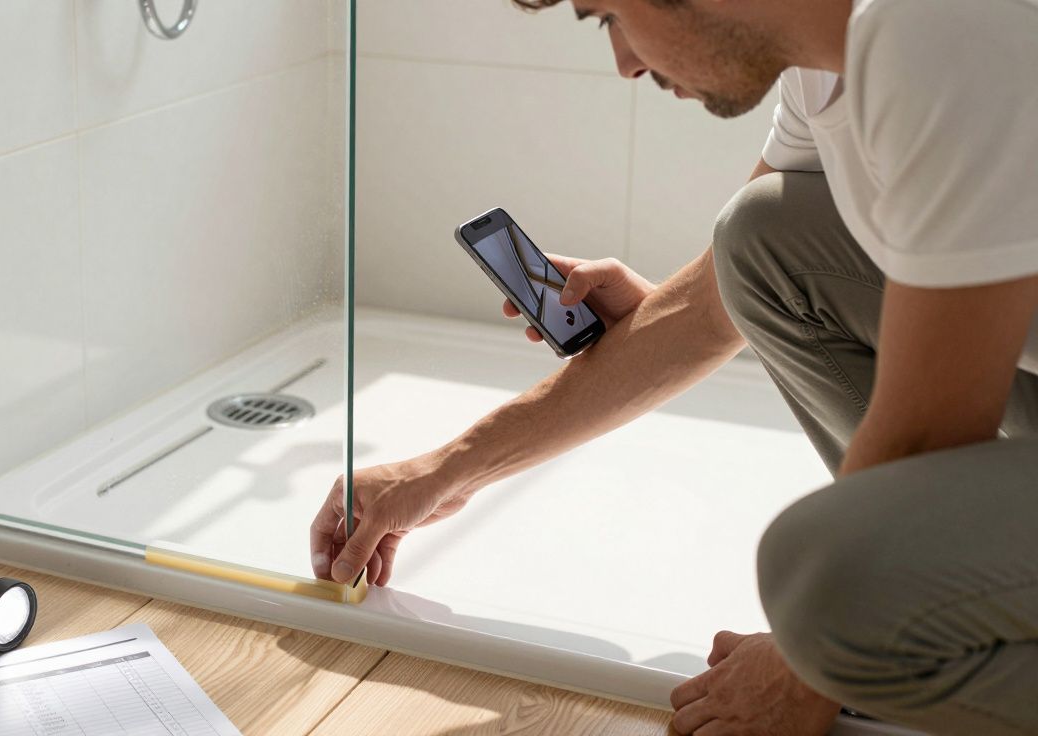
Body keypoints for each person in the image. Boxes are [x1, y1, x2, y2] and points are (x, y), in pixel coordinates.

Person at [310, 0, 1038, 732]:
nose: (625, 62)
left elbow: (929, 431)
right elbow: (712, 304)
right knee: (761, 238)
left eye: (607, 16)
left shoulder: (940, 26)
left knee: (811, 574)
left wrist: (806, 664)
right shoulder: (827, 71)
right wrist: (447, 470)